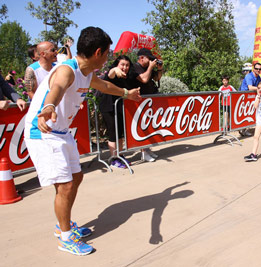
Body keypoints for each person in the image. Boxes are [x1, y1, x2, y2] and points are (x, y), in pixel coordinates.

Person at [24, 27, 141, 256]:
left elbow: (104, 86)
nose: (109, 56)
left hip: (61, 132)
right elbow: (56, 88)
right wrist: (49, 107)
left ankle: (63, 224)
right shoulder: (68, 70)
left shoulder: (87, 73)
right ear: (98, 52)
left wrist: (126, 94)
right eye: (108, 52)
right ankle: (66, 237)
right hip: (44, 131)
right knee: (65, 185)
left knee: (76, 177)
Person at [99, 55, 135, 168]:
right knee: (113, 135)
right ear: (117, 65)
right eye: (122, 65)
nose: (125, 67)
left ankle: (120, 155)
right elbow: (110, 75)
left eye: (127, 65)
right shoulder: (113, 73)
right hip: (108, 107)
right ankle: (114, 159)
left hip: (119, 107)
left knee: (119, 134)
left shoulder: (127, 77)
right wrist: (114, 70)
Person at [130, 48, 163, 162]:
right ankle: (143, 152)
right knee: (142, 127)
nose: (151, 62)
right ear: (142, 58)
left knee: (148, 126)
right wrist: (150, 67)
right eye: (149, 59)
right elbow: (144, 79)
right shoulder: (134, 67)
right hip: (139, 101)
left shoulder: (147, 68)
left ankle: (148, 149)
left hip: (148, 100)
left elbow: (157, 78)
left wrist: (159, 69)